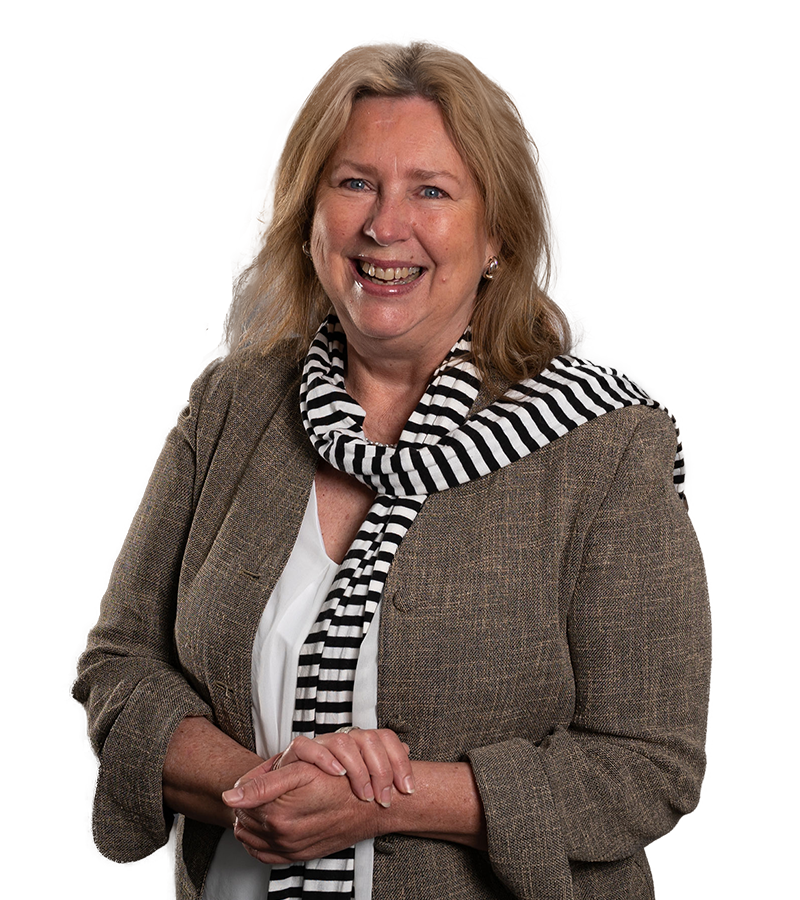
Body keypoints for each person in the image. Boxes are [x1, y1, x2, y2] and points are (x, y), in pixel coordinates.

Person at [72, 42, 710, 900]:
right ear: (310, 217)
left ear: (496, 236)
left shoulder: (603, 445)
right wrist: (262, 788)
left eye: (432, 191)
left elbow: (649, 764)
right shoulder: (234, 403)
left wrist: (387, 801)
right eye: (355, 183)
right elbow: (118, 668)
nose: (384, 225)